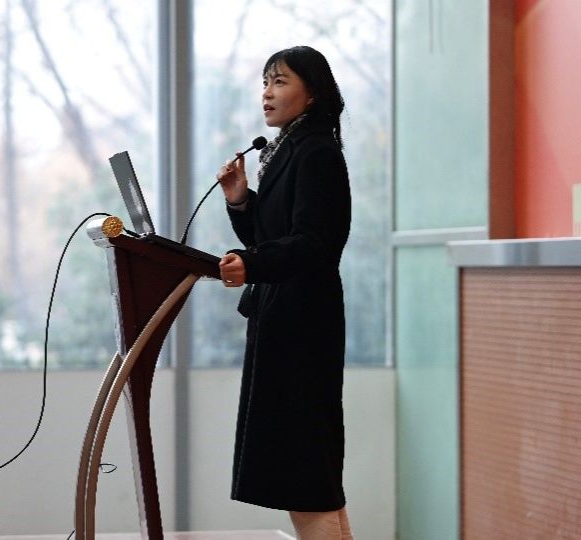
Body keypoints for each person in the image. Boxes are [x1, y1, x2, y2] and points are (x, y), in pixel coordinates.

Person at [216, 46, 353, 540]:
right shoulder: (288, 150)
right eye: (265, 82)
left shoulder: (316, 153)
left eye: (280, 81)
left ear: (311, 93)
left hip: (302, 325)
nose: (267, 93)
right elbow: (274, 235)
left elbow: (314, 243)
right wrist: (240, 200)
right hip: (285, 317)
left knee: (305, 479)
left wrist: (252, 263)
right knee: (311, 479)